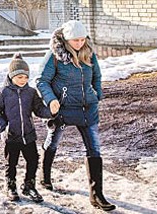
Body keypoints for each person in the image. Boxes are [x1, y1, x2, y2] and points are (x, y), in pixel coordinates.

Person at [35, 20, 116, 212]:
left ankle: (97, 195)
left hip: (88, 108)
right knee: (53, 141)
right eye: (75, 40)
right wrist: (51, 100)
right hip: (63, 109)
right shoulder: (54, 56)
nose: (79, 43)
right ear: (66, 39)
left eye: (82, 39)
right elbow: (41, 81)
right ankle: (45, 175)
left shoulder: (89, 53)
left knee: (94, 149)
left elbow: (97, 76)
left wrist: (97, 94)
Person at [0, 53, 52, 202]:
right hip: (11, 135)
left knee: (33, 160)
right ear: (11, 76)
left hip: (28, 135)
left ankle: (29, 186)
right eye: (20, 77)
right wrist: (3, 128)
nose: (23, 80)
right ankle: (11, 186)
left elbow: (39, 109)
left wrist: (51, 111)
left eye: (26, 77)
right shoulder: (3, 93)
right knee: (11, 162)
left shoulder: (31, 93)